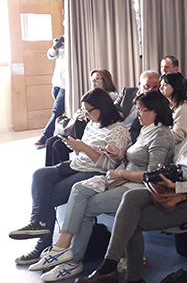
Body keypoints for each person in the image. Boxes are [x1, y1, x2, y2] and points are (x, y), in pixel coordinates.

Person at [77, 95, 187, 283]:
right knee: (132, 197)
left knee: (131, 222)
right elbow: (182, 168)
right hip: (178, 191)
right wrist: (168, 176)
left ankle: (119, 273)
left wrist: (176, 185)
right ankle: (111, 267)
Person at [28, 91, 175, 281]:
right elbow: (138, 158)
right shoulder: (148, 130)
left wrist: (121, 172)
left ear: (155, 111)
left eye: (141, 110)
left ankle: (72, 258)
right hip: (124, 179)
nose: (137, 114)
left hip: (138, 188)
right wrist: (120, 154)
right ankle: (63, 248)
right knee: (79, 189)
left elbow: (152, 176)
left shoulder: (160, 136)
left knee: (85, 207)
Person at [11, 89, 130, 266]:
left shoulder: (118, 130)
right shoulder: (92, 124)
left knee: (47, 197)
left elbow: (109, 166)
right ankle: (38, 222)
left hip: (94, 172)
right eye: (85, 111)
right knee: (40, 175)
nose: (87, 115)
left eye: (90, 110)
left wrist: (83, 147)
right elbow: (84, 152)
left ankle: (42, 243)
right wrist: (76, 148)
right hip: (77, 165)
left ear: (102, 108)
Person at [35, 36, 67, 148]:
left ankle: (45, 136)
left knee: (57, 110)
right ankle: (60, 133)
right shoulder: (59, 41)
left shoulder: (73, 42)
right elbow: (50, 55)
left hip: (66, 84)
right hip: (56, 82)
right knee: (60, 110)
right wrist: (56, 46)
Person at [115, 70, 160, 143]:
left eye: (155, 88)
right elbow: (113, 107)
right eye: (146, 86)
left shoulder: (157, 103)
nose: (150, 90)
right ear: (139, 85)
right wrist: (117, 112)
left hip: (133, 138)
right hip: (116, 129)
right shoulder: (127, 92)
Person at [160, 73, 187, 149]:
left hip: (180, 149)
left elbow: (178, 135)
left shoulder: (183, 107)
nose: (161, 88)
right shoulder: (167, 106)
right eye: (160, 85)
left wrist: (157, 137)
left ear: (175, 86)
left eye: (165, 85)